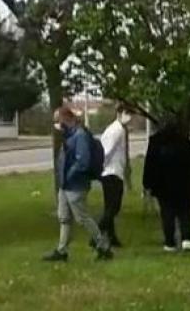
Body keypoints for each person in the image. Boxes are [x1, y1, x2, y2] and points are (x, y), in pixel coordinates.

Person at [43, 106, 113, 262]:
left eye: (57, 120)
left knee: (82, 218)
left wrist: (69, 174)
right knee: (64, 218)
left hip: (76, 185)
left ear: (65, 119)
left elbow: (83, 161)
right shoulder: (69, 135)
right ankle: (62, 251)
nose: (56, 124)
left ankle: (103, 246)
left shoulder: (80, 135)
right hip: (65, 185)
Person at [143, 122, 190, 253]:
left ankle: (170, 242)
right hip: (182, 183)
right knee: (184, 212)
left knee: (167, 213)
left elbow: (149, 164)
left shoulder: (156, 142)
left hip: (162, 185)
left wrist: (147, 184)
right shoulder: (184, 141)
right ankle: (187, 239)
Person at [98, 108, 132, 248]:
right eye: (127, 114)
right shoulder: (116, 130)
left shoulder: (118, 129)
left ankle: (111, 237)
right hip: (111, 172)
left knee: (109, 207)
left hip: (113, 170)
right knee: (114, 206)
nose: (129, 118)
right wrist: (102, 166)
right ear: (119, 114)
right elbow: (107, 151)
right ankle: (97, 232)